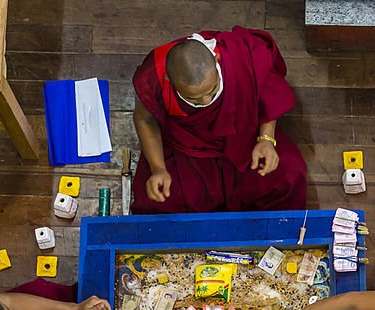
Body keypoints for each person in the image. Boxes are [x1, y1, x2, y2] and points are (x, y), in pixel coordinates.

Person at [130, 27, 307, 214]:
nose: (206, 101)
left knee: (289, 173)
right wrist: (158, 169)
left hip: (243, 137)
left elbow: (269, 94)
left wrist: (266, 140)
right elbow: (145, 120)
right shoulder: (153, 76)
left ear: (216, 60)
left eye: (212, 91)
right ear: (169, 80)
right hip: (189, 148)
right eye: (195, 99)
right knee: (160, 199)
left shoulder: (239, 56)